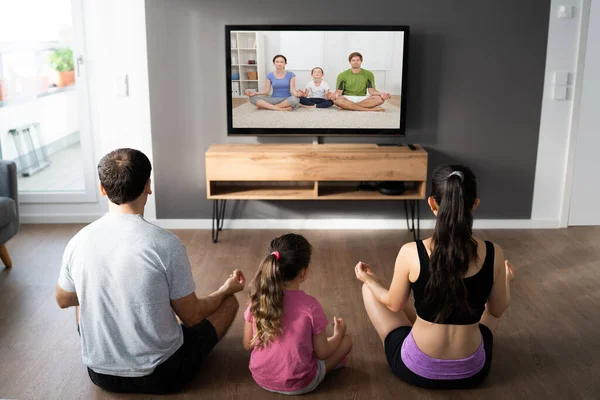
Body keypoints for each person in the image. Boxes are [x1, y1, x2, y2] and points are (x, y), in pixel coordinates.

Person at [55, 148, 246, 394]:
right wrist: (223, 290)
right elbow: (193, 316)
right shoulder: (166, 244)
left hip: (100, 375)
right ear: (148, 186)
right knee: (229, 303)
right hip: (163, 375)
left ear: (102, 188)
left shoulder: (78, 241)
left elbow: (64, 299)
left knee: (82, 292)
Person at [356, 165, 515, 390]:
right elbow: (497, 310)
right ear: (475, 204)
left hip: (418, 369)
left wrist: (368, 280)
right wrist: (505, 280)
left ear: (432, 203)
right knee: (492, 305)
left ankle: (419, 327)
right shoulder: (494, 252)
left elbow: (394, 304)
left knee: (371, 292)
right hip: (471, 372)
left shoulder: (412, 251)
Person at [242, 233, 353, 395]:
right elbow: (322, 352)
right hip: (301, 383)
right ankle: (324, 367)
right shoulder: (311, 306)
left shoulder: (257, 301)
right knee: (347, 341)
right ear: (303, 273)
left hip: (260, 377)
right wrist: (338, 334)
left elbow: (247, 344)